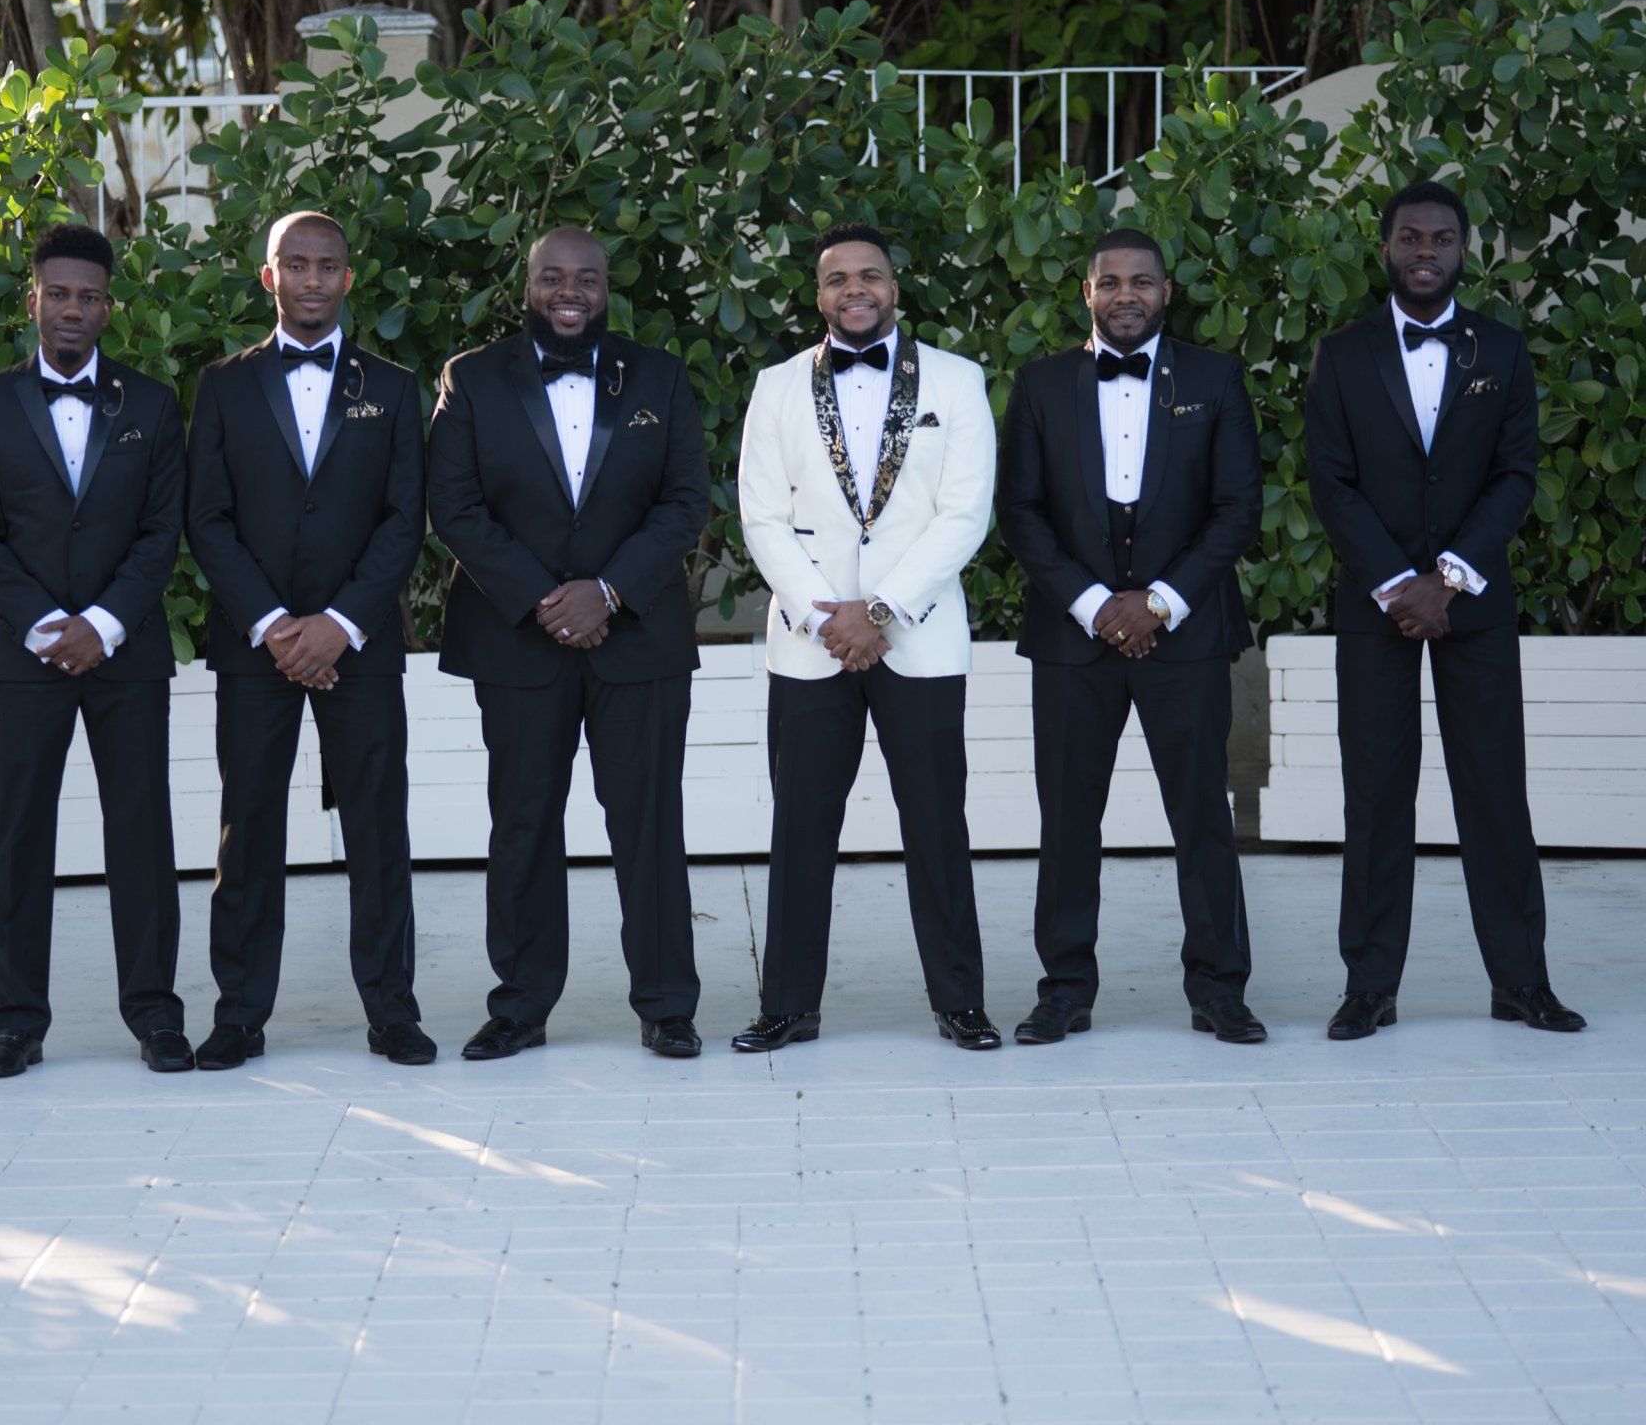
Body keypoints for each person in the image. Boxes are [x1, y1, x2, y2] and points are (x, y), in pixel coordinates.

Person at [1307, 180, 1584, 1038]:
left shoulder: (1499, 351)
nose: (1425, 251)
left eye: (1441, 239)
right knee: (1377, 795)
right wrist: (1399, 583)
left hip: (1474, 608)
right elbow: (1332, 482)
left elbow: (1515, 476)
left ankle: (1521, 981)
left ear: (1464, 251)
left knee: (1495, 793)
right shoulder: (1343, 354)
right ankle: (1370, 987)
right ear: (1385, 248)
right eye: (1409, 238)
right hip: (1376, 605)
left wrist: (1450, 579)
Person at [428, 226, 712, 1060]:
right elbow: (456, 505)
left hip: (639, 637)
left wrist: (609, 592)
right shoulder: (473, 379)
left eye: (585, 278)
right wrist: (544, 600)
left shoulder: (657, 374)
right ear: (528, 284)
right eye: (553, 276)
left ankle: (667, 1004)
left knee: (649, 824)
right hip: (518, 638)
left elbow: (684, 500)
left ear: (606, 286)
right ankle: (519, 1005)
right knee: (522, 825)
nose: (569, 291)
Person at [732, 221, 999, 1052]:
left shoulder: (956, 382)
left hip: (918, 637)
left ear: (895, 287)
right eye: (838, 278)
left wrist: (880, 612)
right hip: (808, 641)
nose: (856, 289)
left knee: (936, 825)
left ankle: (960, 1001)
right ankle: (788, 1005)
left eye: (870, 275)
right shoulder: (776, 386)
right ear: (818, 295)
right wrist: (827, 616)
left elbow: (965, 514)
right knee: (801, 828)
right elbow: (761, 516)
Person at [998, 227, 1264, 1045]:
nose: (1125, 295)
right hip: (1074, 639)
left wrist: (1156, 603)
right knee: (1068, 819)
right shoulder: (1042, 385)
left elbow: (1237, 511)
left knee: (1201, 818)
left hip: (1183, 635)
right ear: (1086, 293)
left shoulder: (1215, 380)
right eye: (1108, 282)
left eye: (1141, 282)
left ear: (1166, 292)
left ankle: (1219, 988)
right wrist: (1093, 604)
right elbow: (1021, 512)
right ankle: (1065, 988)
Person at [186, 210, 433, 1069]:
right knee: (246, 830)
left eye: (328, 266)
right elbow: (206, 519)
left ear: (348, 279)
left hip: (358, 645)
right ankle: (238, 1013)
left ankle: (392, 1011)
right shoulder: (222, 385)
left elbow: (407, 519)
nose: (313, 280)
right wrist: (274, 626)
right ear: (270, 278)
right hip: (254, 647)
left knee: (378, 827)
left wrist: (339, 624)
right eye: (296, 265)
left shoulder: (395, 389)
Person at [0, 222, 191, 1077]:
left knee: (141, 834)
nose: (73, 309)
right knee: (20, 837)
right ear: (34, 300)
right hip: (28, 658)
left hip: (127, 655)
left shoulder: (153, 405)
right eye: (59, 293)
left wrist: (106, 624)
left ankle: (156, 1013)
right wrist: (49, 627)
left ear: (108, 308)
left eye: (89, 296)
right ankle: (17, 1020)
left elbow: (163, 531)